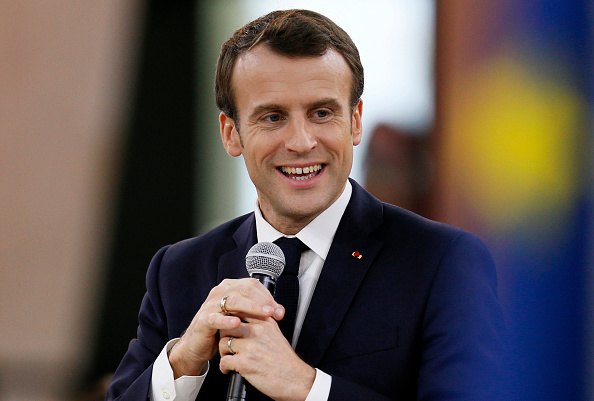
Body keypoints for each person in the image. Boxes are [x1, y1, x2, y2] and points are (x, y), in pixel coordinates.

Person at [106, 9, 506, 401]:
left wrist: (307, 388)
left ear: (355, 122)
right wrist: (183, 363)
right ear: (231, 134)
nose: (300, 142)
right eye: (273, 117)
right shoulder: (178, 271)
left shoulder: (443, 264)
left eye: (321, 113)